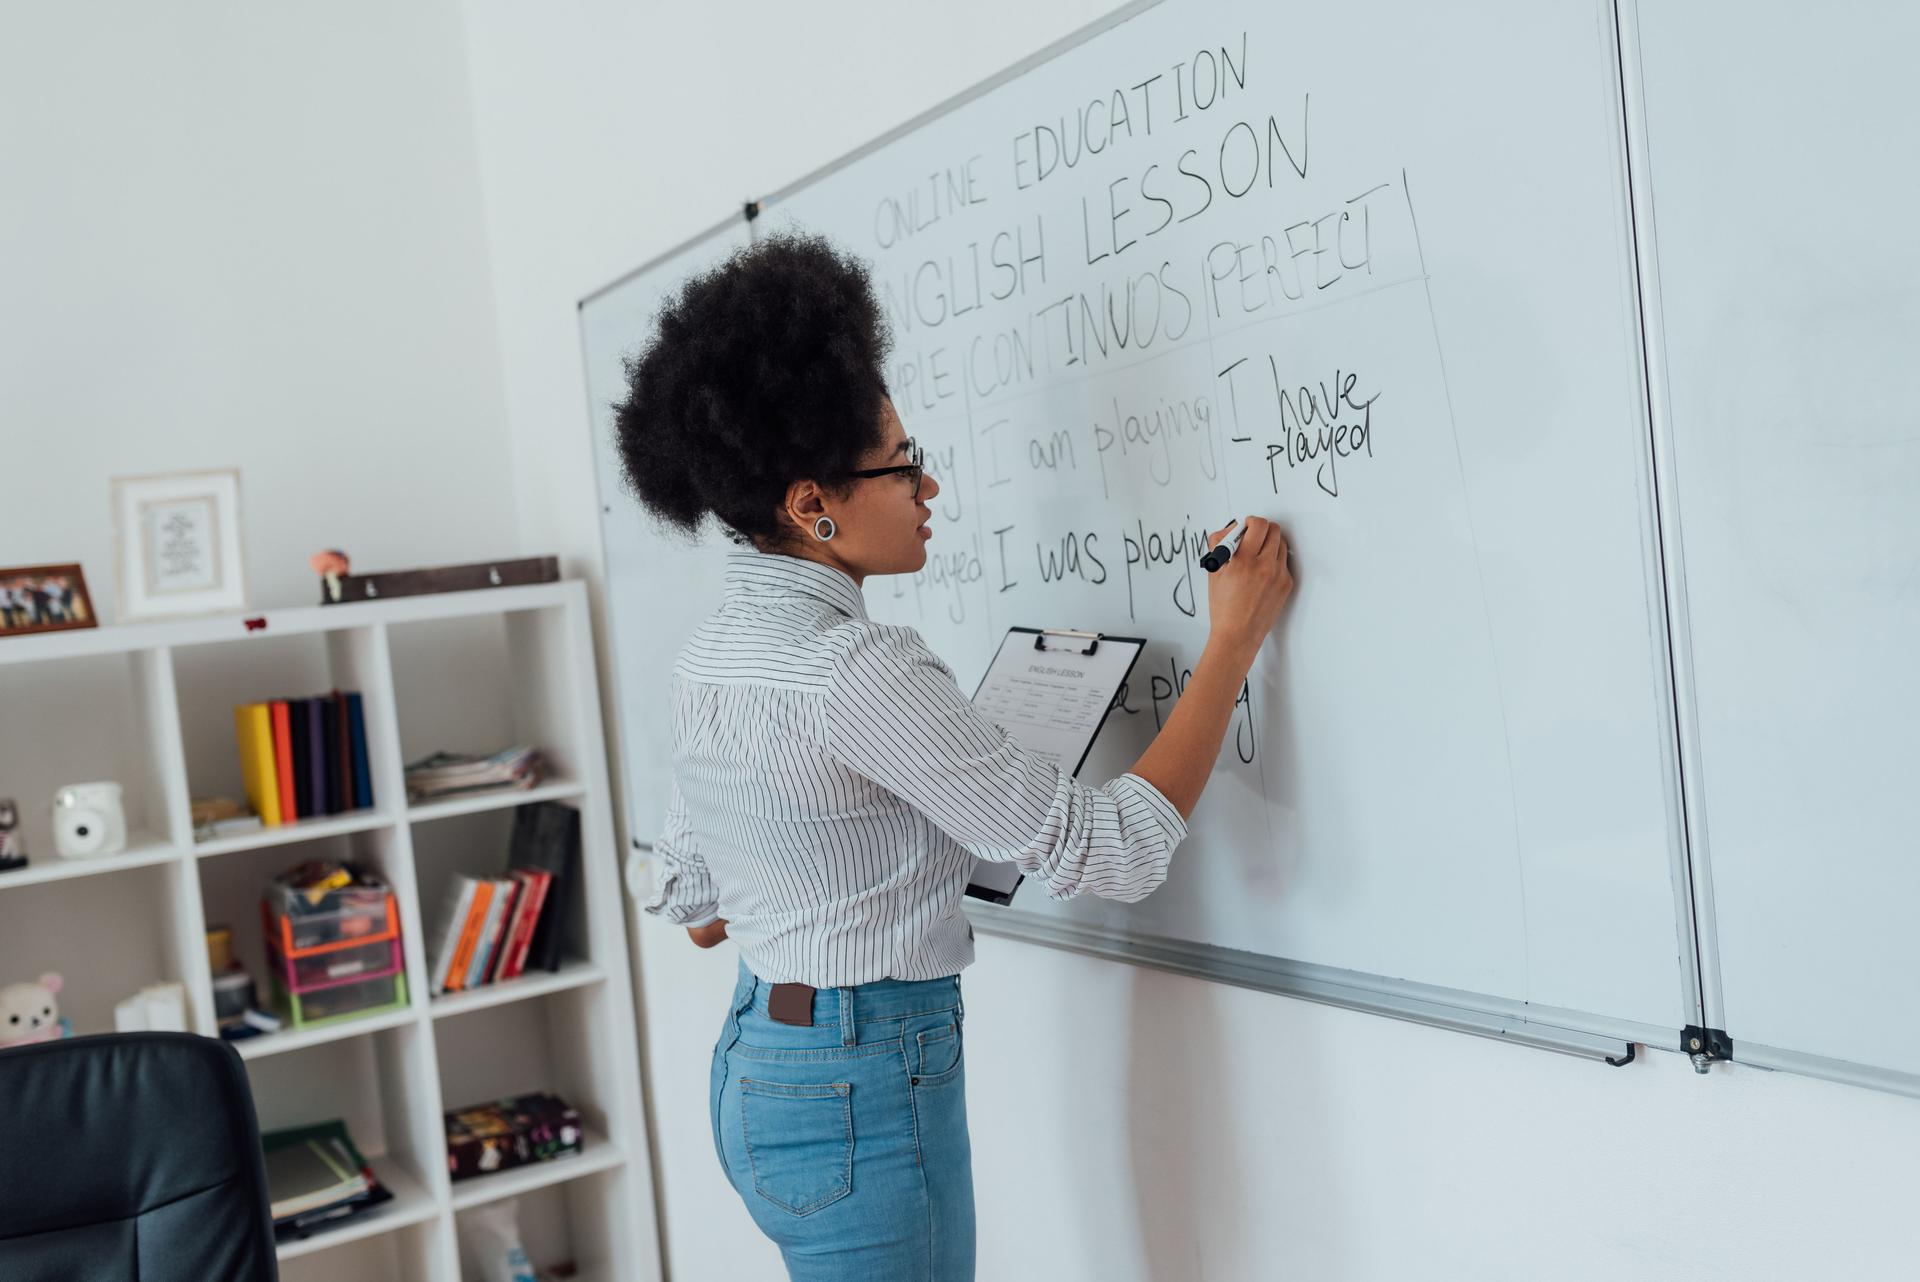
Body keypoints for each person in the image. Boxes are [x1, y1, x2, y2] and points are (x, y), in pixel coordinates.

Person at [614, 232, 1294, 1282]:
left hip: (757, 1068)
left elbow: (701, 906)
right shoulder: (856, 668)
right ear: (810, 505)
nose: (928, 487)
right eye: (902, 464)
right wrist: (1234, 642)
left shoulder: (713, 654)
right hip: (864, 1087)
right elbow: (1112, 854)